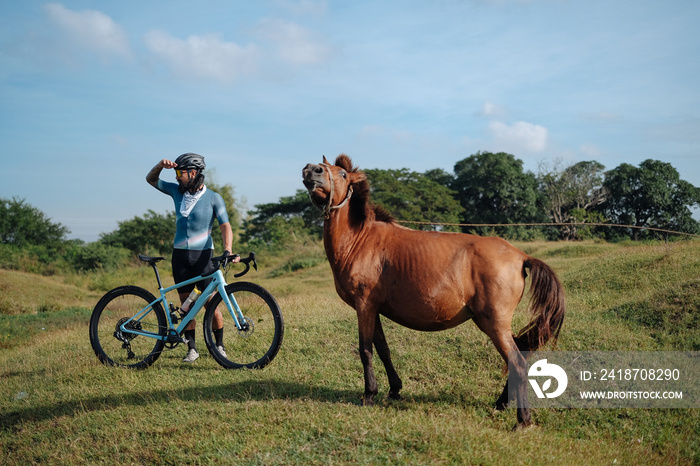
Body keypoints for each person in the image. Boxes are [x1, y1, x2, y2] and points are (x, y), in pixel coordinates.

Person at [146, 153, 239, 363]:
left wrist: (227, 249)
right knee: (185, 305)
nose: (177, 177)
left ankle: (220, 346)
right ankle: (192, 349)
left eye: (181, 173)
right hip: (179, 257)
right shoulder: (176, 192)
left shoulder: (214, 197)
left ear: (193, 173)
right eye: (176, 173)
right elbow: (151, 180)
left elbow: (225, 225)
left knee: (210, 304)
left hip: (203, 257)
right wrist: (160, 166)